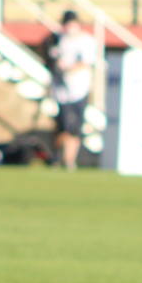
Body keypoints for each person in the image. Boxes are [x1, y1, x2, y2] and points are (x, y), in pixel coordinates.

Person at [46, 10, 97, 171]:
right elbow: (50, 59)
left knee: (75, 128)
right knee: (62, 127)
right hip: (61, 91)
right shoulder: (58, 40)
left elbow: (87, 62)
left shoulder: (86, 41)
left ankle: (69, 161)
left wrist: (69, 68)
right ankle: (57, 157)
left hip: (78, 89)